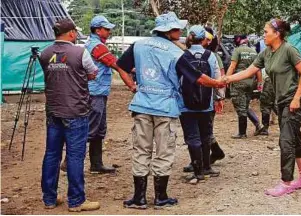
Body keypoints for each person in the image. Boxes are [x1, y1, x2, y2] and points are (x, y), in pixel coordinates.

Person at [117, 12, 225, 209]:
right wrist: (218, 83)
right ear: (168, 31)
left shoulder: (139, 45)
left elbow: (121, 66)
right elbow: (198, 78)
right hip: (165, 108)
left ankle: (138, 198)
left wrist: (132, 86)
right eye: (177, 28)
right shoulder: (176, 52)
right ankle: (161, 197)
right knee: (163, 151)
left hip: (141, 105)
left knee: (141, 150)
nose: (180, 31)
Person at [223, 18, 301, 197]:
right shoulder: (266, 53)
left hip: (294, 102)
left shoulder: (289, 50)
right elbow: (249, 70)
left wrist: (296, 98)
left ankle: (286, 182)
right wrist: (227, 79)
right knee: (294, 138)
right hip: (281, 102)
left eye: (266, 32)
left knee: (286, 141)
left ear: (277, 33)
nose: (264, 35)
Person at [39, 18, 100, 212]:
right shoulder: (80, 52)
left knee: (51, 154)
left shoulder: (45, 53)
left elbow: (48, 74)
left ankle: (49, 199)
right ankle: (76, 201)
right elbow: (93, 73)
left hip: (53, 111)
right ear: (72, 33)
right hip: (76, 111)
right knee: (75, 156)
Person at [85, 15, 136, 174]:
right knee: (92, 128)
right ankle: (71, 162)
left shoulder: (94, 44)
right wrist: (132, 81)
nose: (109, 32)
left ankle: (96, 164)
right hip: (95, 92)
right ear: (97, 30)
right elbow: (116, 64)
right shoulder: (97, 47)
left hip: (98, 90)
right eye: (106, 29)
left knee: (99, 128)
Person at [180, 25, 224, 184]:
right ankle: (207, 168)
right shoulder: (211, 56)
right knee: (206, 135)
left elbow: (177, 80)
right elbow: (217, 80)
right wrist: (219, 97)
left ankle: (197, 172)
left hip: (186, 105)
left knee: (192, 137)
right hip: (206, 104)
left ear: (189, 37)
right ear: (204, 39)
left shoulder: (182, 55)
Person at [226, 35, 262, 139]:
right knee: (245, 106)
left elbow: (232, 66)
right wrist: (259, 83)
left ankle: (242, 133)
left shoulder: (237, 51)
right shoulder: (253, 52)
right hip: (250, 83)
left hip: (239, 82)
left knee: (241, 108)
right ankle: (257, 125)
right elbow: (258, 69)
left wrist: (227, 79)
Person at [255, 39, 278, 136]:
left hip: (269, 81)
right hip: (280, 81)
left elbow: (258, 69)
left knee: (266, 105)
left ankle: (265, 128)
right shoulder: (282, 49)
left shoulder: (265, 52)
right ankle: (288, 127)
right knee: (278, 104)